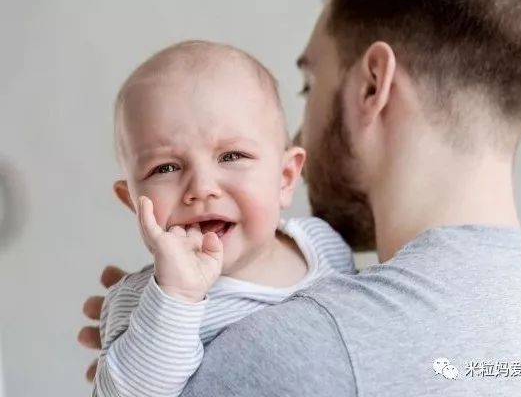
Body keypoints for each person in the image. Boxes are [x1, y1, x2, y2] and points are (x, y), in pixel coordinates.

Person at [80, 0, 521, 395]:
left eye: (307, 84)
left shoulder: (293, 352)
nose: (300, 133)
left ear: (371, 86)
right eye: (166, 167)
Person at [91, 40, 354, 397]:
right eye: (165, 167)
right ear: (134, 203)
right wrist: (177, 297)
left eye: (231, 156)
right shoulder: (141, 301)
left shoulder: (324, 245)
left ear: (285, 177)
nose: (201, 188)